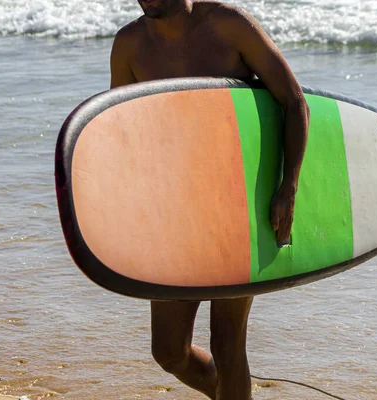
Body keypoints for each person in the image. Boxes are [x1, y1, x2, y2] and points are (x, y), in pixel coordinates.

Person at [109, 0, 309, 399]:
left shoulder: (228, 25)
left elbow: (293, 102)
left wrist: (288, 188)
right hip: (176, 213)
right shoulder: (129, 45)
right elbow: (121, 132)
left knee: (228, 343)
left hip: (237, 206)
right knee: (168, 350)